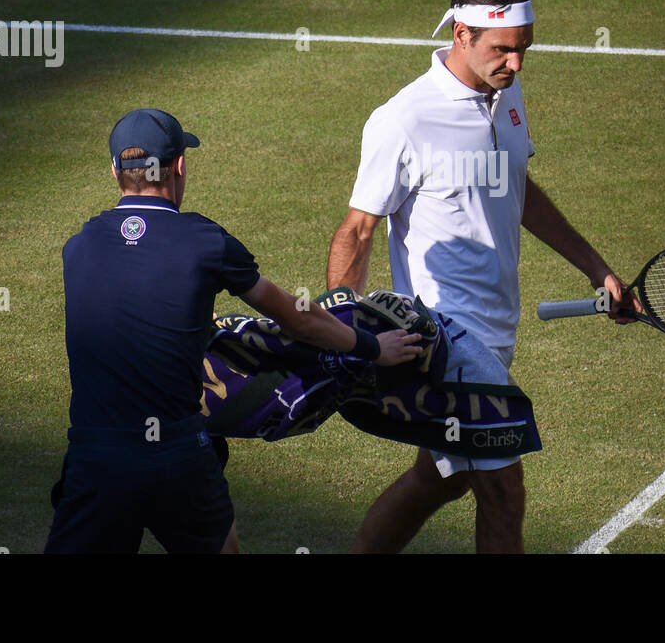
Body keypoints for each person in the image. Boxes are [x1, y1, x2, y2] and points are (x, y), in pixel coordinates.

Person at [327, 0, 634, 554]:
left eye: (524, 51)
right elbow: (358, 229)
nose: (516, 65)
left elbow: (516, 187)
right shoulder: (404, 119)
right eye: (503, 50)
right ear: (462, 33)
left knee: (442, 478)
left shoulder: (504, 92)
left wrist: (598, 269)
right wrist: (347, 328)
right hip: (448, 336)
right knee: (504, 487)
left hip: (498, 325)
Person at [46, 108, 419, 554]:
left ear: (115, 171)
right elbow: (297, 318)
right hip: (177, 454)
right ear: (180, 166)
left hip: (95, 454)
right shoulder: (207, 243)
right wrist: (372, 346)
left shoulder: (78, 247)